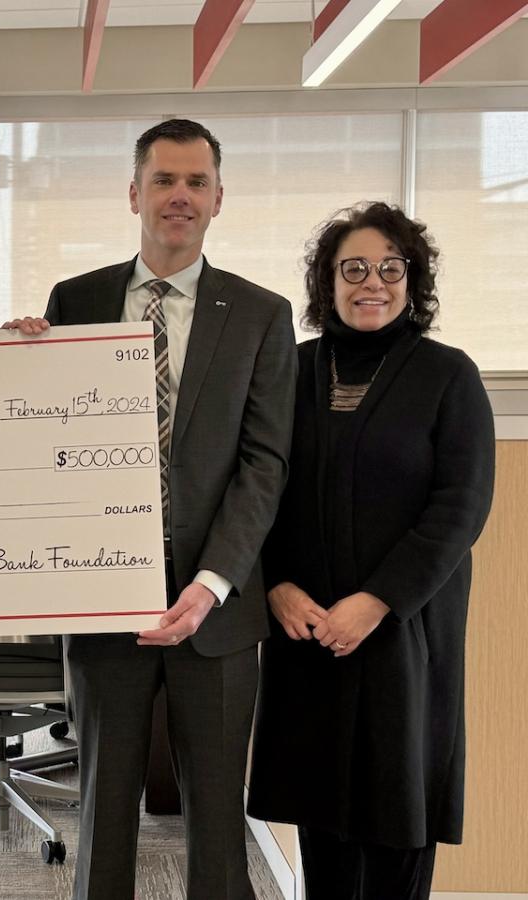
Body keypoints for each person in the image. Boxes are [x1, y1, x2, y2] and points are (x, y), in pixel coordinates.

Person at [5, 118, 297, 899]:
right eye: (164, 180)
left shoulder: (263, 315)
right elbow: (43, 436)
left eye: (196, 182)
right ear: (134, 192)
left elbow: (264, 465)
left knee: (215, 820)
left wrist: (212, 582)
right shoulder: (78, 299)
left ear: (218, 199)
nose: (180, 196)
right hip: (104, 597)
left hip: (218, 604)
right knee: (103, 812)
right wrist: (12, 362)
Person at [247, 202, 495, 900]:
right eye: (353, 268)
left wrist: (377, 601)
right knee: (322, 822)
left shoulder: (448, 375)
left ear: (413, 280)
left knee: (397, 817)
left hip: (404, 633)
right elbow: (253, 487)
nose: (372, 283)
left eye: (392, 267)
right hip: (307, 628)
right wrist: (274, 585)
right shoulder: (288, 370)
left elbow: (460, 507)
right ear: (327, 281)